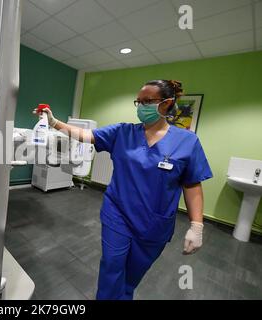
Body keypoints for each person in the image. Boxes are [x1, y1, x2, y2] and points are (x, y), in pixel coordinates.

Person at [34, 80, 213, 300]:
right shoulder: (122, 132)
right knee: (111, 267)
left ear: (166, 103)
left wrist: (197, 225)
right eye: (139, 102)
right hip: (117, 214)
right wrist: (54, 122)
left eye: (147, 101)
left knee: (132, 277)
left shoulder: (188, 141)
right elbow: (86, 135)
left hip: (154, 224)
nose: (141, 107)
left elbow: (192, 184)